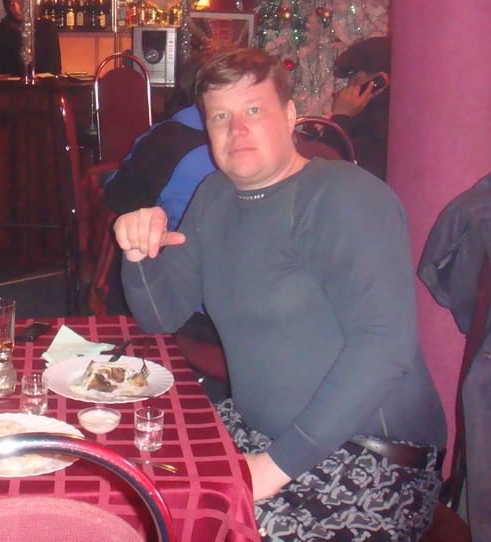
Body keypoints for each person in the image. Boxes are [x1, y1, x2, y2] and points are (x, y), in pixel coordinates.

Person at [114, 48, 446, 540]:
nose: (236, 129)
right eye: (220, 116)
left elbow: (385, 344)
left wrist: (274, 467)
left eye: (254, 110)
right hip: (257, 436)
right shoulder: (214, 195)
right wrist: (138, 252)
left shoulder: (343, 194)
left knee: (190, 527)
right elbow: (160, 316)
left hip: (371, 460)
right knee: (129, 481)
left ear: (290, 116)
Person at [102, 54, 214, 230]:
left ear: (183, 86)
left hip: (175, 240)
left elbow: (121, 199)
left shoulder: (166, 140)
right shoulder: (246, 138)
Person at [330, 36, 391, 180]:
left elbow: (330, 167)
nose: (350, 87)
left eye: (356, 80)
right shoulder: (367, 116)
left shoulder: (380, 124)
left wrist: (342, 116)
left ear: (380, 81)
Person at [0, 0, 61, 77]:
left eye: (20, 2)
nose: (16, 9)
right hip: (10, 85)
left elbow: (54, 67)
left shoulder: (47, 27)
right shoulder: (2, 29)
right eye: (11, 4)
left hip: (42, 85)